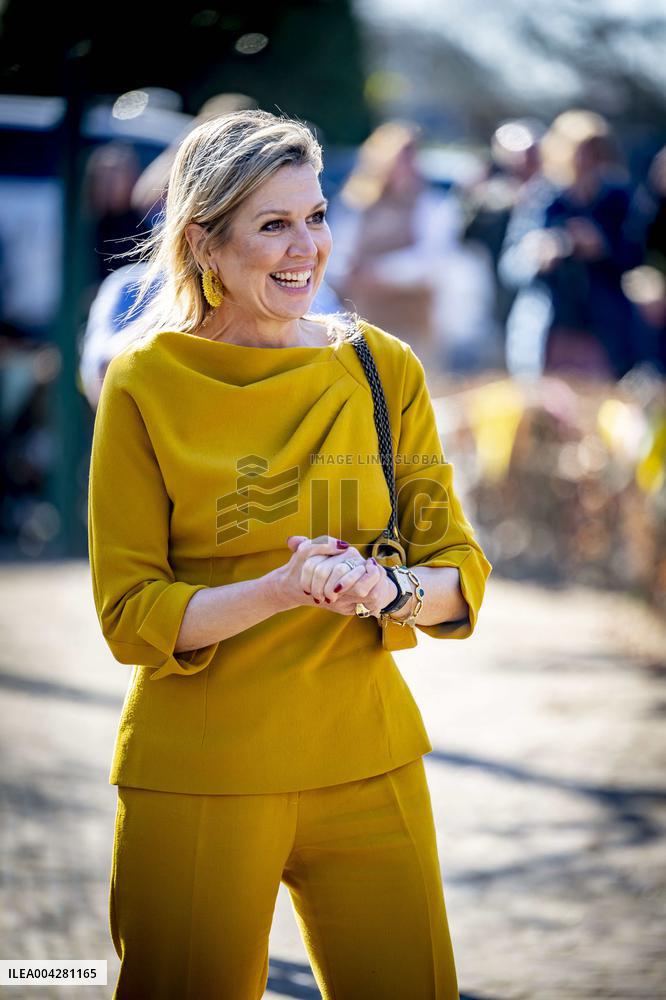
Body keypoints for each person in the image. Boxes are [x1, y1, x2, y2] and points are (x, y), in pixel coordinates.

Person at [87, 109, 492, 999]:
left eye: (314, 216)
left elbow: (457, 572)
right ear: (203, 243)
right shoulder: (145, 383)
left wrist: (385, 588)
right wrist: (278, 589)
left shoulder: (384, 368)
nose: (305, 247)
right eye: (272, 224)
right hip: (200, 774)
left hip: (370, 761)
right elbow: (129, 615)